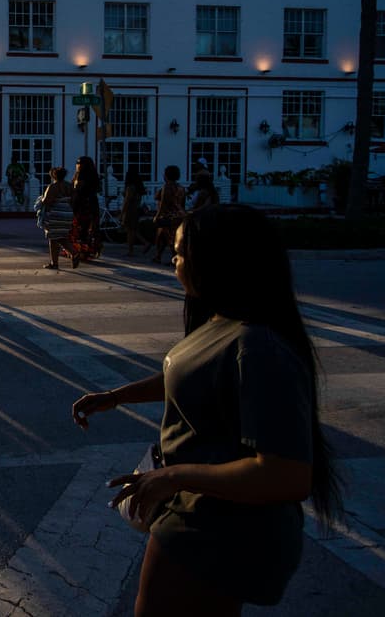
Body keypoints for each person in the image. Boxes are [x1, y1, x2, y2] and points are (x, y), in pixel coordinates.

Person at [71, 205, 341, 613]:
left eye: (180, 253)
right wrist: (116, 396)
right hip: (194, 515)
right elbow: (193, 377)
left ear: (216, 261)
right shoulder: (221, 322)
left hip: (218, 532)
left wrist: (172, 477)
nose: (173, 261)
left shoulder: (258, 346)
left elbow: (286, 474)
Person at [34, 166, 74, 269]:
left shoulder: (53, 187)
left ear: (53, 175)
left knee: (53, 238)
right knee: (61, 236)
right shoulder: (69, 186)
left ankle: (55, 262)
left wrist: (41, 200)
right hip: (68, 214)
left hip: (55, 215)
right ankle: (72, 254)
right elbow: (74, 199)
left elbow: (46, 201)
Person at [70, 155, 103, 266]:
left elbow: (79, 191)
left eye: (79, 163)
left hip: (85, 205)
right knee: (82, 229)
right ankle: (83, 251)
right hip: (83, 205)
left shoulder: (86, 177)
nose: (77, 165)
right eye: (77, 163)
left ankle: (84, 251)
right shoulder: (78, 176)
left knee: (85, 229)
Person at [151, 165, 186, 265]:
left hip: (169, 216)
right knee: (163, 236)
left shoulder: (167, 187)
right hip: (180, 215)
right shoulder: (181, 188)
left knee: (170, 238)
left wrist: (157, 216)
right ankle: (158, 256)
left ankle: (175, 259)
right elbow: (182, 204)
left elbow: (163, 203)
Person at [121, 167, 152, 256]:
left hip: (130, 210)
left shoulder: (130, 187)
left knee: (130, 231)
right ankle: (145, 243)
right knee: (134, 230)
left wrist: (122, 213)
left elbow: (127, 201)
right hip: (136, 209)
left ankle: (131, 250)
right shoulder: (138, 187)